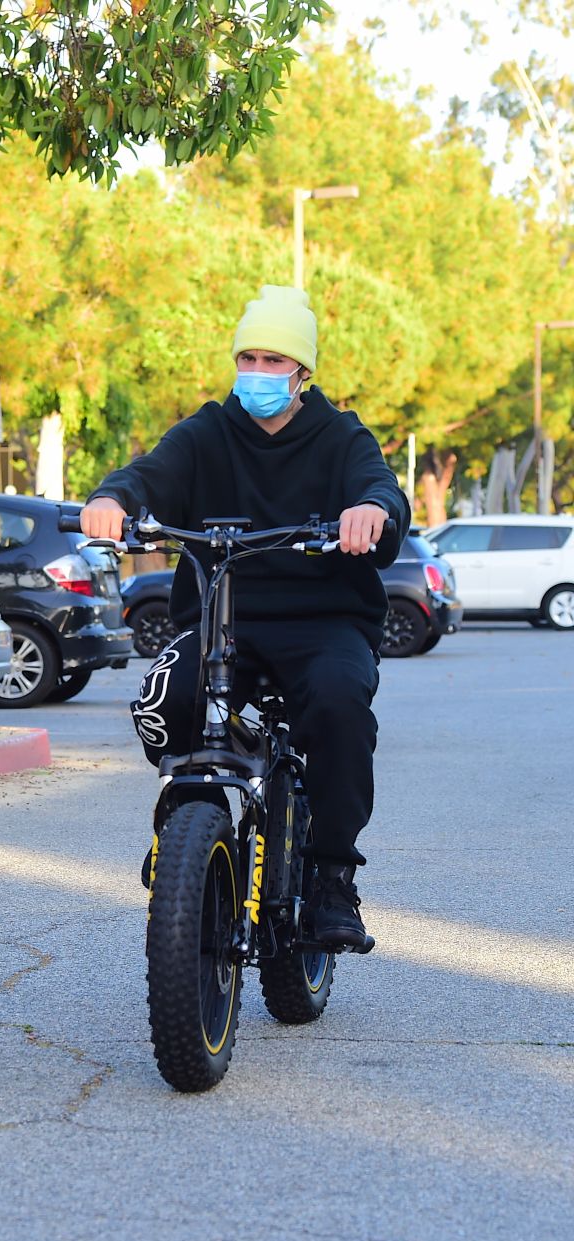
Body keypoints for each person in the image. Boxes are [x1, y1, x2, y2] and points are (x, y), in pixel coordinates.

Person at [81, 285, 409, 949]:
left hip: (323, 621)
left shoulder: (341, 437)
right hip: (220, 619)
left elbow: (381, 491)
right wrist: (112, 498)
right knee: (162, 700)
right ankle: (183, 820)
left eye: (273, 360)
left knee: (341, 706)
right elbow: (149, 474)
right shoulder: (208, 430)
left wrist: (372, 511)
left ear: (303, 373)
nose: (256, 373)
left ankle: (331, 877)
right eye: (247, 357)